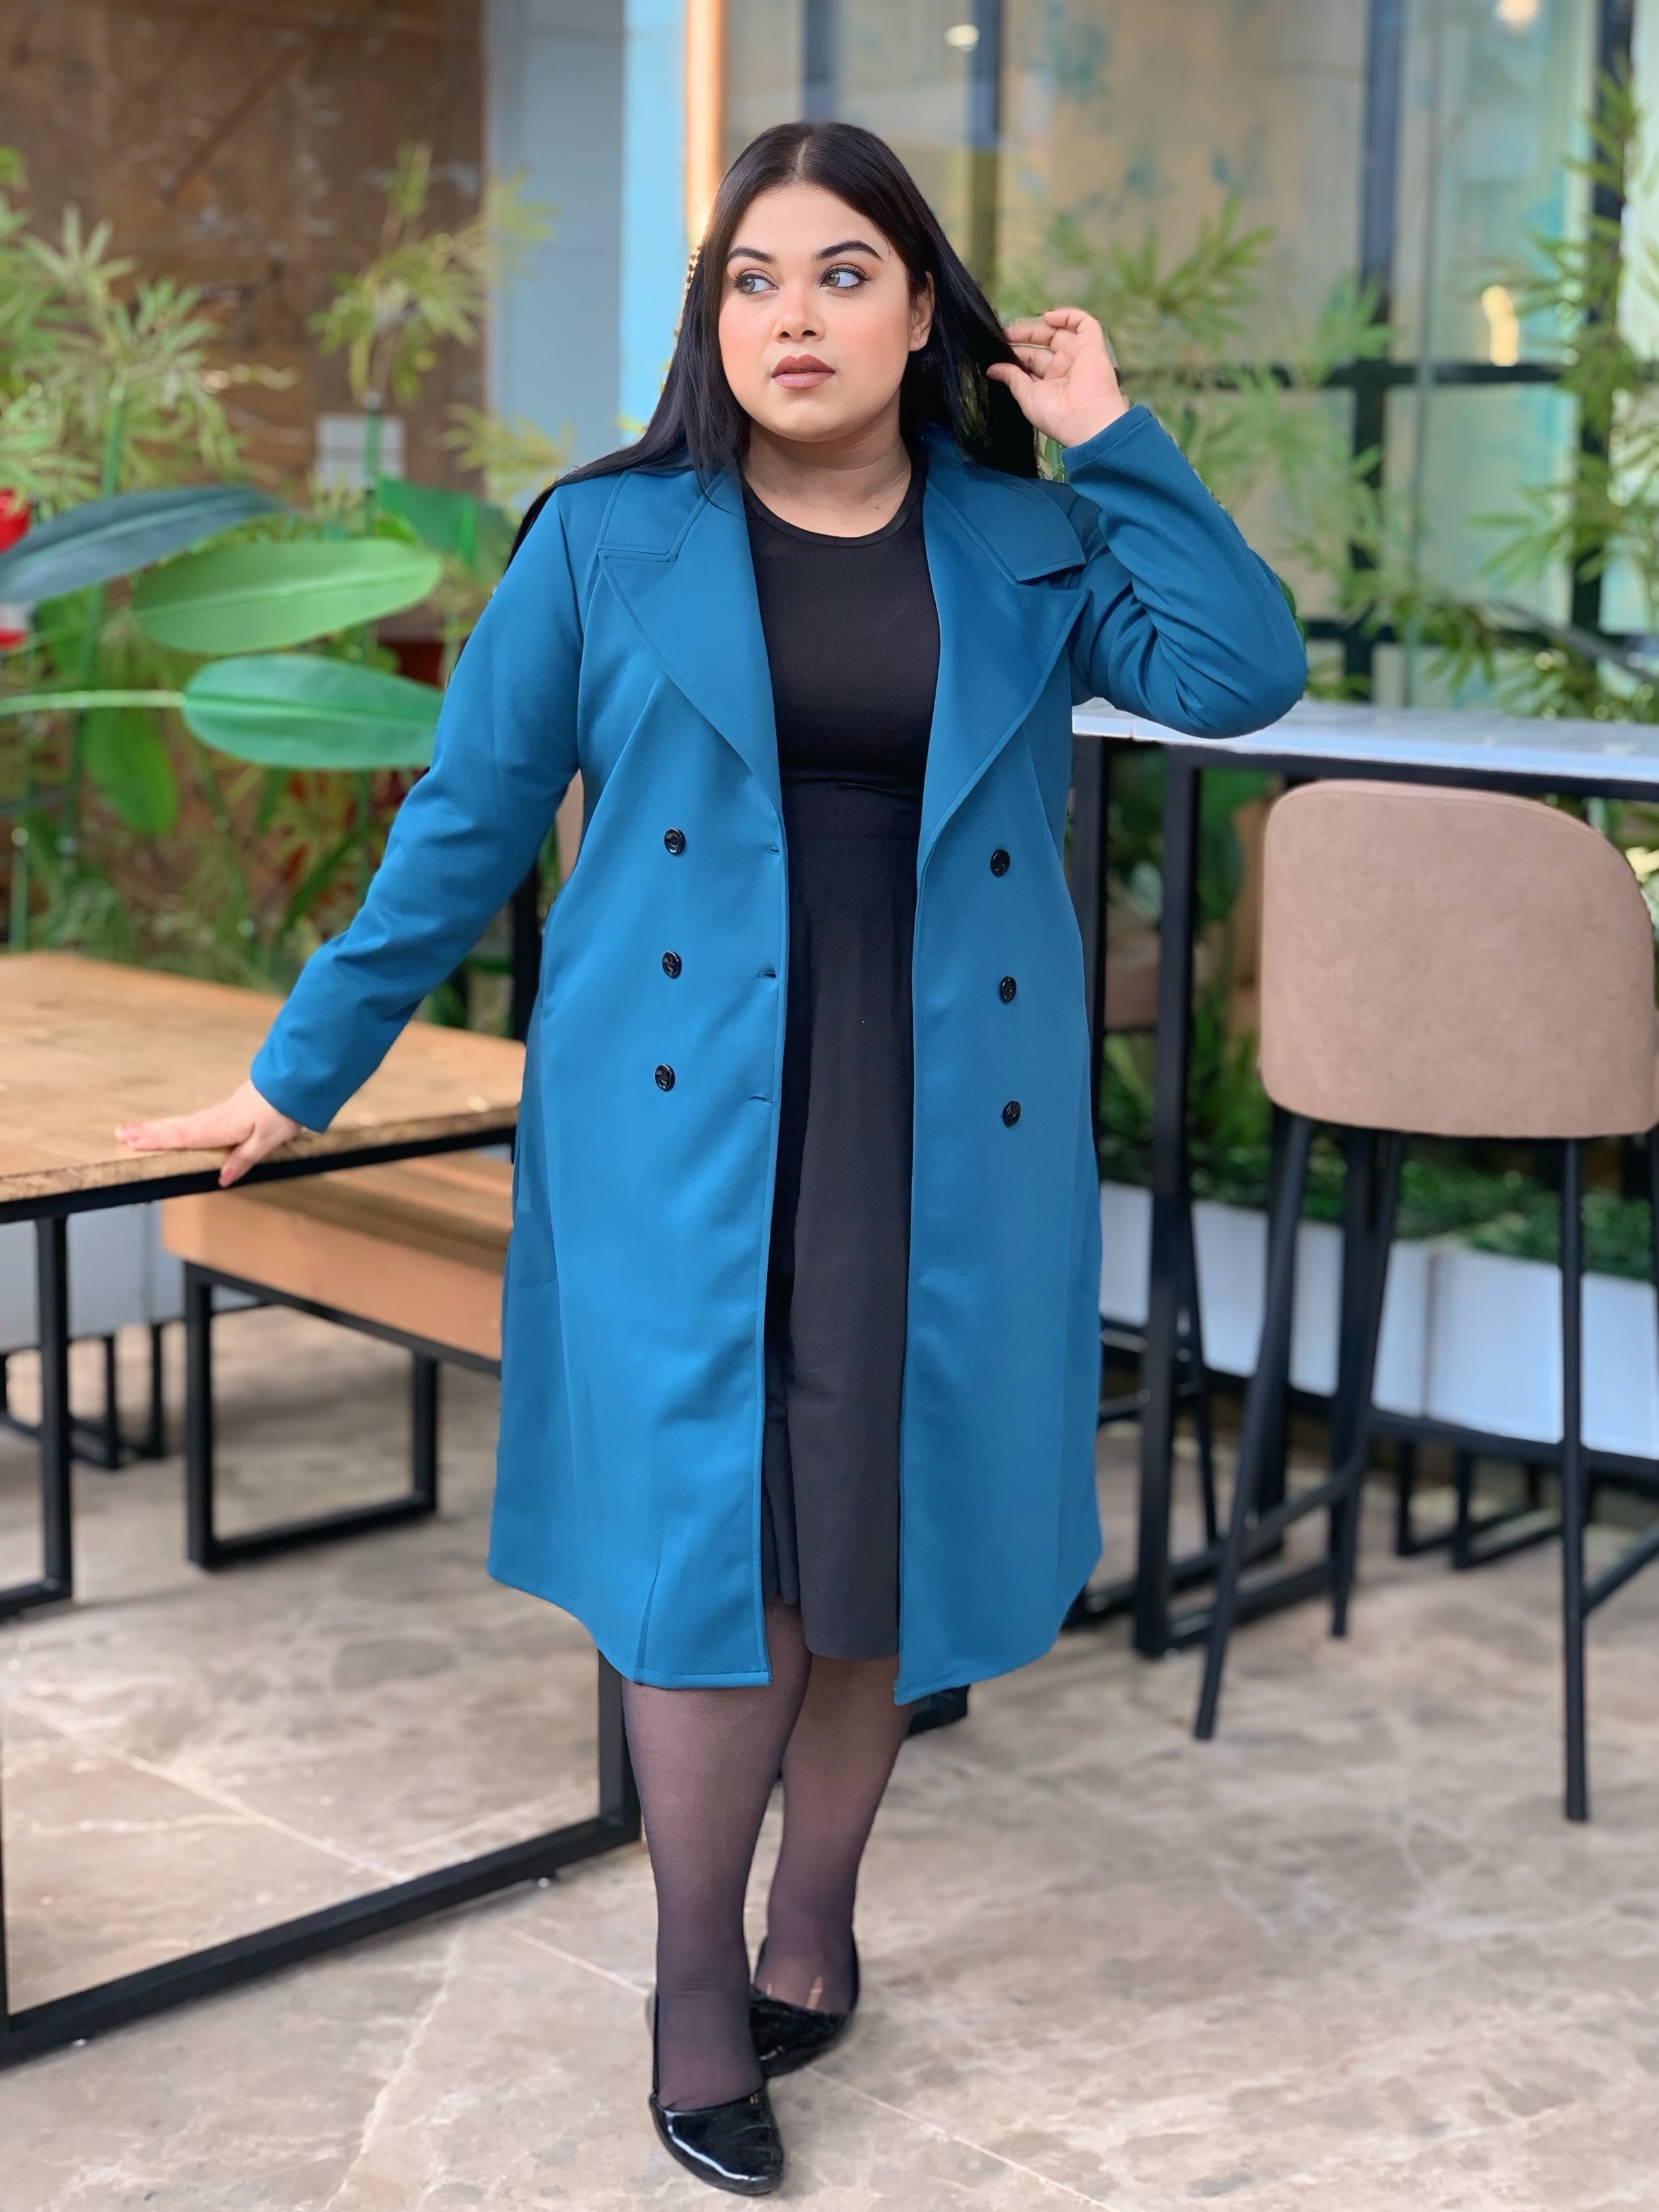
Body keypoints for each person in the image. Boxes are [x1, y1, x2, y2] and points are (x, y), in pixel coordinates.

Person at [116, 120, 1304, 2198]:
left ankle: (814, 1919)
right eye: (754, 279)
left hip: (947, 1113)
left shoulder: (1028, 544)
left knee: (878, 1542)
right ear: (711, 322)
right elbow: (464, 824)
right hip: (677, 1113)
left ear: (922, 312)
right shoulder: (605, 541)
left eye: (844, 274)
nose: (794, 317)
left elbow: (1241, 670)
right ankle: (692, 1983)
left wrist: (1111, 436)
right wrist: (302, 1075)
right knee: (712, 1555)